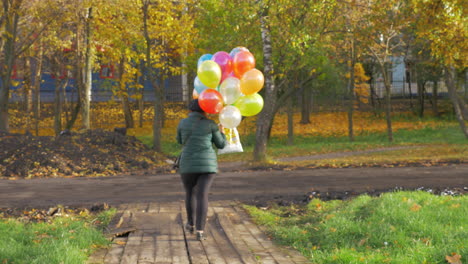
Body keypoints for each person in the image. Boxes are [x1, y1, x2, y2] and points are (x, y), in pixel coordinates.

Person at [176, 99, 226, 241]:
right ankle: (200, 230)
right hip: (207, 166)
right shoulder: (210, 124)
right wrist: (221, 132)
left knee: (190, 192)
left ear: (190, 110)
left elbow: (179, 140)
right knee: (202, 195)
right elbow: (221, 144)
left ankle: (190, 224)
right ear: (205, 109)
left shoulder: (182, 123)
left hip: (187, 165)